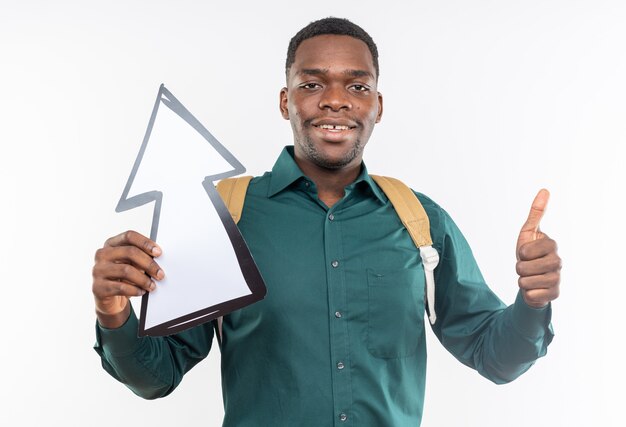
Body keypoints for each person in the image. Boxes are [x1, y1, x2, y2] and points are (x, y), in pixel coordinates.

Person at [93, 17, 561, 426]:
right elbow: (156, 376)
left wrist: (532, 302)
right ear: (285, 101)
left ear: (378, 105)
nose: (335, 101)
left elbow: (495, 356)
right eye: (312, 84)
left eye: (357, 86)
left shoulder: (420, 221)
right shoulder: (222, 218)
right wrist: (113, 311)